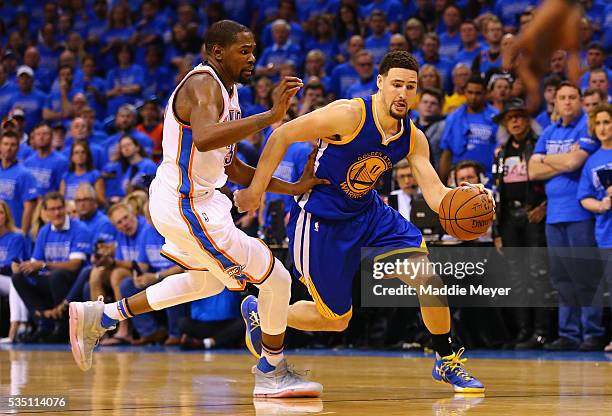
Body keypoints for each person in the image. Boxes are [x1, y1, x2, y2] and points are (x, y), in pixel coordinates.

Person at [68, 20, 323, 398]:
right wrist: (271, 118)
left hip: (193, 201)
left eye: (253, 50)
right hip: (186, 204)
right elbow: (204, 139)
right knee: (276, 278)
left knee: (206, 280)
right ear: (216, 51)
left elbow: (232, 166)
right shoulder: (203, 84)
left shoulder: (230, 92)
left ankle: (103, 316)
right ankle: (272, 370)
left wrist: (291, 188)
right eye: (244, 50)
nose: (253, 57)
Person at [234, 51, 489, 393]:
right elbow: (282, 135)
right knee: (337, 320)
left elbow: (436, 193)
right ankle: (262, 312)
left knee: (427, 277)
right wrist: (255, 190)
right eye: (396, 84)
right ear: (380, 83)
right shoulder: (348, 114)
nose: (403, 93)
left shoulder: (412, 137)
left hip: (370, 214)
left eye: (410, 87)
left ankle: (446, 359)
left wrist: (467, 197)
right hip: (322, 220)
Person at [528, 81, 605, 351]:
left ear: (581, 101)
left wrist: (546, 160)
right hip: (554, 217)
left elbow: (575, 163)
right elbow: (532, 171)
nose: (568, 102)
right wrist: (558, 161)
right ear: (556, 102)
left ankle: (592, 333)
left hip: (580, 213)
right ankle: (569, 334)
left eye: (573, 97)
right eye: (563, 98)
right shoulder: (549, 131)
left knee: (585, 274)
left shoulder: (587, 126)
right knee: (562, 278)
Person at [491, 98, 552, 350]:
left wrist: (544, 206)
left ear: (528, 120)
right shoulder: (501, 152)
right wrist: (496, 229)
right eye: (510, 118)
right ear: (505, 123)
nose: (515, 121)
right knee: (516, 278)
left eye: (520, 116)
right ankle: (523, 331)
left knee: (539, 274)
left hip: (533, 216)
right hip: (508, 219)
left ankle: (542, 331)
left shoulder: (540, 147)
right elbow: (496, 190)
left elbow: (552, 181)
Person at [12, 192, 92, 342]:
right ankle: (43, 321)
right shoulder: (44, 231)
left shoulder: (80, 229)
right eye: (52, 209)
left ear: (65, 208)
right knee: (18, 277)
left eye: (60, 208)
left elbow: (75, 265)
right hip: (50, 278)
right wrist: (23, 267)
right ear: (46, 212)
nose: (57, 212)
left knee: (57, 275)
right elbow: (35, 264)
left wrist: (44, 266)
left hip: (72, 281)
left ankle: (62, 327)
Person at [576, 104, 611, 351]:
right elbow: (584, 196)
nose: (602, 128)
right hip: (606, 232)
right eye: (598, 123)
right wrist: (600, 205)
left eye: (607, 122)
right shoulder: (592, 160)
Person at [0, 201, 29, 343]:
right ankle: (21, 325)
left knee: (15, 281)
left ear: (7, 216)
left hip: (15, 277)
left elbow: (11, 264)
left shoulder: (16, 236)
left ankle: (17, 326)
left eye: (0, 213)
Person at [0, 131, 39, 233]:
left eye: (13, 145)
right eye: (6, 144)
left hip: (14, 230)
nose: (9, 148)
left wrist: (23, 233)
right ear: (0, 146)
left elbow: (29, 209)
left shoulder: (25, 174)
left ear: (18, 148)